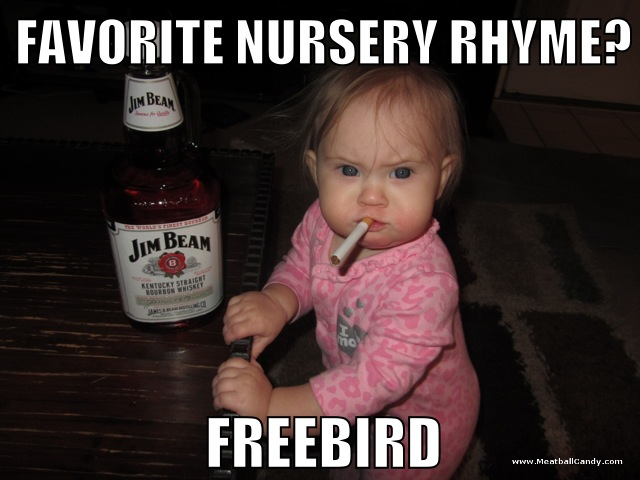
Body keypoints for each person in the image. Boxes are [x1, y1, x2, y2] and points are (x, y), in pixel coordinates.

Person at [212, 63, 480, 479]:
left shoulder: (427, 285)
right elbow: (302, 266)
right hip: (347, 392)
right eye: (349, 170)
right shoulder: (322, 220)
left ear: (440, 179)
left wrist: (274, 409)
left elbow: (372, 380)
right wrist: (277, 302)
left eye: (401, 172)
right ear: (316, 169)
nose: (371, 197)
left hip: (416, 429)